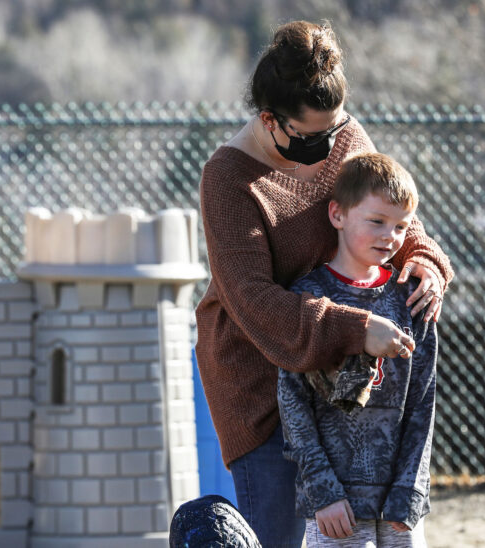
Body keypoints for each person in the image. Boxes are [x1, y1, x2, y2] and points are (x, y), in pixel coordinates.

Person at [195, 20, 453, 547]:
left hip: (345, 390)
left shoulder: (343, 138)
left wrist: (424, 259)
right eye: (313, 137)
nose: (333, 147)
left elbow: (389, 211)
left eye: (337, 131)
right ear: (270, 119)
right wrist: (355, 329)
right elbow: (256, 304)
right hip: (262, 389)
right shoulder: (228, 179)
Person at [278, 152, 436, 547]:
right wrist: (323, 492)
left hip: (399, 508)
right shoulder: (307, 298)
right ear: (338, 215)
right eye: (377, 221)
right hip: (337, 509)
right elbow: (293, 405)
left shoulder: (412, 300)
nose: (390, 236)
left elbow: (423, 403)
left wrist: (410, 492)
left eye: (401, 226)